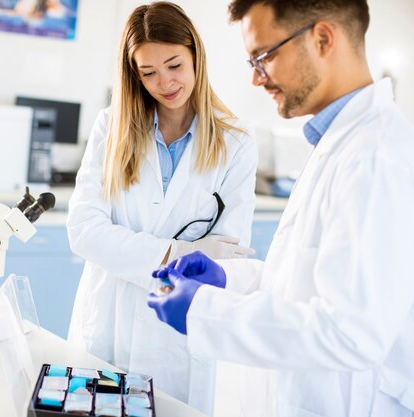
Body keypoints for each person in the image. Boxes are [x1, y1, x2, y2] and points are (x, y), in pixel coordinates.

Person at [148, 1, 414, 416]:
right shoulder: (341, 143)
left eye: (264, 57)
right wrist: (228, 280)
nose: (255, 78)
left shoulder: (378, 156)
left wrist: (205, 310)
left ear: (323, 38)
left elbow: (350, 332)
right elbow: (310, 285)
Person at [66, 2, 258, 414]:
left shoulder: (237, 144)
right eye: (148, 73)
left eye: (174, 65)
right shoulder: (110, 128)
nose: (165, 83)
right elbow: (84, 231)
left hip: (178, 339)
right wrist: (179, 252)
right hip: (107, 328)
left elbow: (228, 254)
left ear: (195, 57)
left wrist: (132, 251)